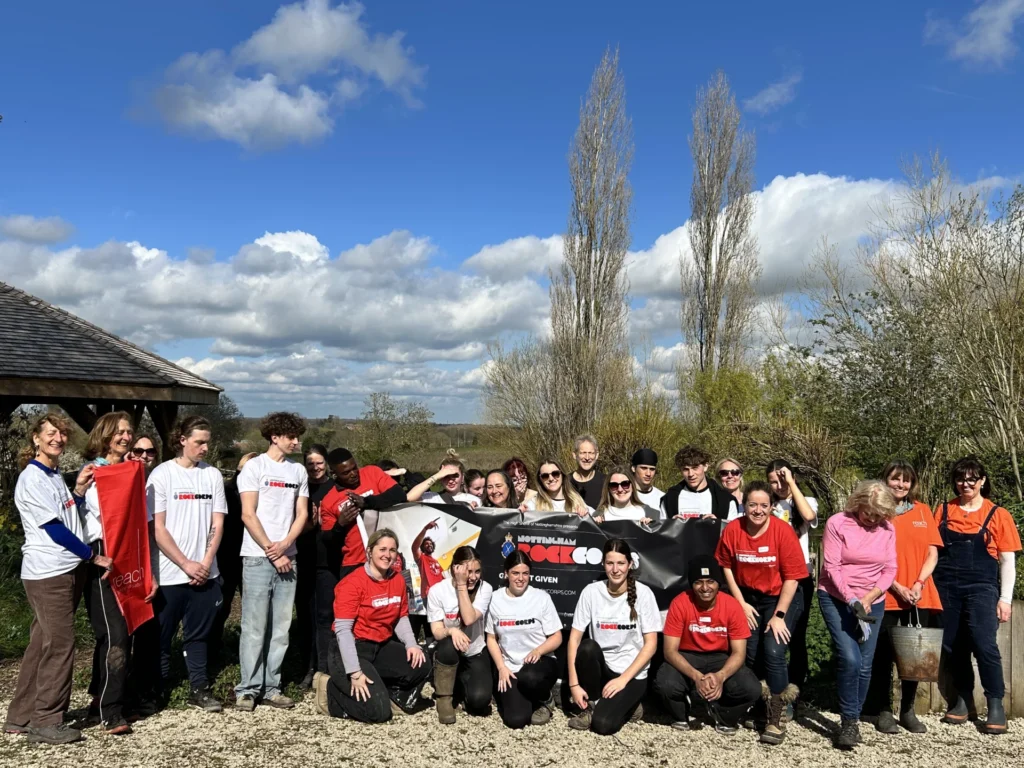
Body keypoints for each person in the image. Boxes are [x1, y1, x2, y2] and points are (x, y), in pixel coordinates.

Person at [3, 414, 109, 745]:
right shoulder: (32, 478)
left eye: (62, 434)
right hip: (49, 572)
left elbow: (66, 514)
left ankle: (20, 717)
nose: (58, 439)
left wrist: (77, 491)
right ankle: (47, 720)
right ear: (35, 438)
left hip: (62, 569)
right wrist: (92, 555)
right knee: (61, 644)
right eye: (51, 433)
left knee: (42, 643)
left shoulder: (52, 475)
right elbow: (54, 528)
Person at [81, 412, 158, 734]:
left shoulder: (130, 472)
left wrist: (147, 571)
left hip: (127, 555)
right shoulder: (93, 473)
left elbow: (138, 524)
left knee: (116, 633)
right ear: (105, 435)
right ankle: (110, 710)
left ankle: (101, 699)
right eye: (120, 432)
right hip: (100, 555)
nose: (126, 437)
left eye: (129, 431)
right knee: (115, 635)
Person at [932, 456, 1020, 735]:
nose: (966, 484)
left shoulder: (999, 515)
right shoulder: (943, 510)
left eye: (972, 478)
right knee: (951, 646)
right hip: (946, 587)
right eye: (960, 479)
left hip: (982, 587)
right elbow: (931, 551)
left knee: (984, 645)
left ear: (982, 481)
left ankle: (996, 704)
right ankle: (963, 700)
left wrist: (1004, 599)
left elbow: (1007, 561)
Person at [147, 415, 227, 714]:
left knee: (198, 636)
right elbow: (158, 528)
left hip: (206, 573)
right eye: (199, 442)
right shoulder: (162, 475)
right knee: (162, 636)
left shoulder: (212, 476)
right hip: (170, 574)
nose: (205, 448)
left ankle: (199, 687)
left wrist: (205, 563)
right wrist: (185, 563)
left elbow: (217, 523)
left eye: (208, 442)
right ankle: (158, 688)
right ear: (182, 440)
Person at [715, 480, 805, 745]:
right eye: (752, 505)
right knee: (750, 651)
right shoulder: (734, 529)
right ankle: (757, 704)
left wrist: (779, 616)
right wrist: (740, 603)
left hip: (781, 597)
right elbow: (726, 566)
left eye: (763, 505)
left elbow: (792, 578)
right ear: (744, 505)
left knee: (774, 649)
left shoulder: (782, 531)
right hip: (748, 597)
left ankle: (777, 717)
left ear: (771, 507)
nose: (757, 510)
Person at [234, 412, 309, 712]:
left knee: (281, 626)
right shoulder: (254, 467)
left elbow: (302, 513)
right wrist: (271, 550)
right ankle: (248, 689)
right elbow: (247, 513)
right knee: (254, 625)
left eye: (297, 436)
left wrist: (287, 545)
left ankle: (272, 686)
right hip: (257, 557)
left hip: (288, 558)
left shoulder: (298, 471)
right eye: (291, 436)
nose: (296, 441)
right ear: (274, 437)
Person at [317, 529, 431, 722]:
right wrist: (354, 672)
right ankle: (328, 690)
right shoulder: (352, 583)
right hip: (351, 649)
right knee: (378, 713)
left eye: (392, 550)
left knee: (423, 663)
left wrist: (411, 644)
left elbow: (401, 617)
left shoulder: (397, 580)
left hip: (380, 646)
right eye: (382, 549)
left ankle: (390, 697)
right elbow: (343, 632)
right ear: (369, 551)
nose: (387, 555)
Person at [864, 460, 943, 735]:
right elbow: (870, 557)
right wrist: (896, 585)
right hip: (884, 593)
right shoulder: (875, 512)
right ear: (885, 480)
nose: (900, 485)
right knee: (882, 656)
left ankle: (907, 710)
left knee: (915, 657)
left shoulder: (923, 511)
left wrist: (919, 583)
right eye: (895, 479)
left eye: (906, 480)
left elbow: (933, 552)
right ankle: (883, 710)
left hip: (919, 595)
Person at [818, 480, 897, 749]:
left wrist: (869, 597)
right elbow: (831, 567)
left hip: (872, 601)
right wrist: (852, 599)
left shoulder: (887, 528)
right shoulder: (837, 523)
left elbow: (890, 569)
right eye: (868, 513)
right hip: (837, 598)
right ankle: (849, 721)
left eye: (878, 515)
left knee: (865, 664)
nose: (872, 519)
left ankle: (852, 720)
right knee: (850, 658)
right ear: (858, 503)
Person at [317, 449, 408, 670]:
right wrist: (340, 525)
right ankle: (345, 666)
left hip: (384, 561)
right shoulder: (329, 500)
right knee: (353, 620)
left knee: (387, 612)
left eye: (353, 468)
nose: (353, 475)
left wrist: (367, 501)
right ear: (334, 474)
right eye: (345, 473)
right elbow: (328, 540)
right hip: (353, 563)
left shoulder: (372, 473)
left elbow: (398, 495)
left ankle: (385, 664)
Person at [655, 554, 761, 733]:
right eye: (698, 582)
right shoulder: (680, 602)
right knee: (664, 683)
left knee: (752, 689)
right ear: (692, 584)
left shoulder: (732, 605)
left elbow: (739, 653)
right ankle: (681, 713)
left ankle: (722, 713)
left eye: (710, 581)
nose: (705, 588)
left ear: (719, 583)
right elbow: (670, 651)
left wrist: (720, 676)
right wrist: (696, 676)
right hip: (687, 655)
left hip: (720, 657)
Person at [567, 539, 661, 734]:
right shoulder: (591, 592)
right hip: (602, 671)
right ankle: (592, 704)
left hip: (632, 674)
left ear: (630, 564)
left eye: (620, 563)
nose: (615, 569)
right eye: (610, 563)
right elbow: (574, 640)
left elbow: (651, 644)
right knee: (587, 648)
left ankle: (631, 706)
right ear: (603, 564)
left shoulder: (644, 594)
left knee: (603, 725)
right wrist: (574, 684)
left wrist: (623, 680)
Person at [485, 550, 563, 729]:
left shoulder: (541, 598)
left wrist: (539, 650)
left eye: (525, 573)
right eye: (515, 573)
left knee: (529, 678)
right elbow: (491, 638)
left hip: (539, 664)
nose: (521, 578)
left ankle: (546, 699)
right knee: (516, 720)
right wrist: (501, 667)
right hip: (511, 667)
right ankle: (521, 698)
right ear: (506, 574)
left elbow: (557, 636)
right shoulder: (495, 599)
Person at [766, 459, 818, 693]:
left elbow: (807, 515)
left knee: (797, 635)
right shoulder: (767, 505)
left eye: (782, 480)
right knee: (772, 632)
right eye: (773, 482)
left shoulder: (805, 501)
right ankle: (773, 688)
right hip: (773, 574)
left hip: (800, 576)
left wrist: (792, 484)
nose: (779, 486)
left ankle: (796, 690)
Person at [427, 545, 494, 723]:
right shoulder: (437, 591)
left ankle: (460, 684)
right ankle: (444, 698)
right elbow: (436, 630)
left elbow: (469, 618)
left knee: (479, 702)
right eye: (467, 571)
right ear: (455, 568)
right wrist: (452, 630)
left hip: (474, 650)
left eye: (477, 571)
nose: (473, 577)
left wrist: (462, 585)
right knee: (448, 643)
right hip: (449, 650)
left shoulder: (484, 588)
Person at [209, 452, 258, 674]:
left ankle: (250, 655)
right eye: (244, 470)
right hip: (228, 556)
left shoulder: (261, 492)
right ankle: (213, 650)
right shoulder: (226, 491)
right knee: (222, 606)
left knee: (253, 608)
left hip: (253, 555)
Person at [297, 444, 333, 686]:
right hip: (302, 556)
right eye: (310, 463)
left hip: (328, 560)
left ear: (326, 463)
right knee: (304, 616)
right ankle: (306, 666)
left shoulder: (335, 487)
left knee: (325, 615)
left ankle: (324, 669)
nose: (315, 467)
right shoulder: (300, 488)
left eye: (319, 462)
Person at [662, 446, 738, 521]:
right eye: (685, 469)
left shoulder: (726, 500)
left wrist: (717, 524)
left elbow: (733, 531)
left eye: (695, 468)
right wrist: (671, 524)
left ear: (705, 466)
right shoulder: (669, 499)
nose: (690, 474)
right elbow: (661, 531)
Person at [407, 450, 479, 507]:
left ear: (462, 477)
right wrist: (437, 475)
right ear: (441, 478)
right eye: (446, 476)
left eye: (455, 476)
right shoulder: (431, 498)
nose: (450, 481)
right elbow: (409, 498)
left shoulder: (473, 500)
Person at [525, 458, 591, 516]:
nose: (551, 478)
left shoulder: (576, 500)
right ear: (540, 480)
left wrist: (586, 514)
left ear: (562, 475)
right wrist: (521, 513)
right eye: (545, 476)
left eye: (555, 473)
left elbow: (596, 516)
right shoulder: (534, 503)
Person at [412, 518, 445, 606]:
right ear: (422, 547)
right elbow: (414, 547)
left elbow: (443, 577)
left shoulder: (436, 562)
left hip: (441, 595)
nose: (429, 544)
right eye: (426, 543)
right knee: (433, 620)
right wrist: (425, 529)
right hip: (428, 594)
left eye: (430, 543)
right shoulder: (421, 558)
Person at [570, 435, 605, 509]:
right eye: (583, 453)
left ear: (597, 455)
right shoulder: (566, 482)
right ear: (574, 455)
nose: (587, 457)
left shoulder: (605, 481)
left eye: (591, 453)